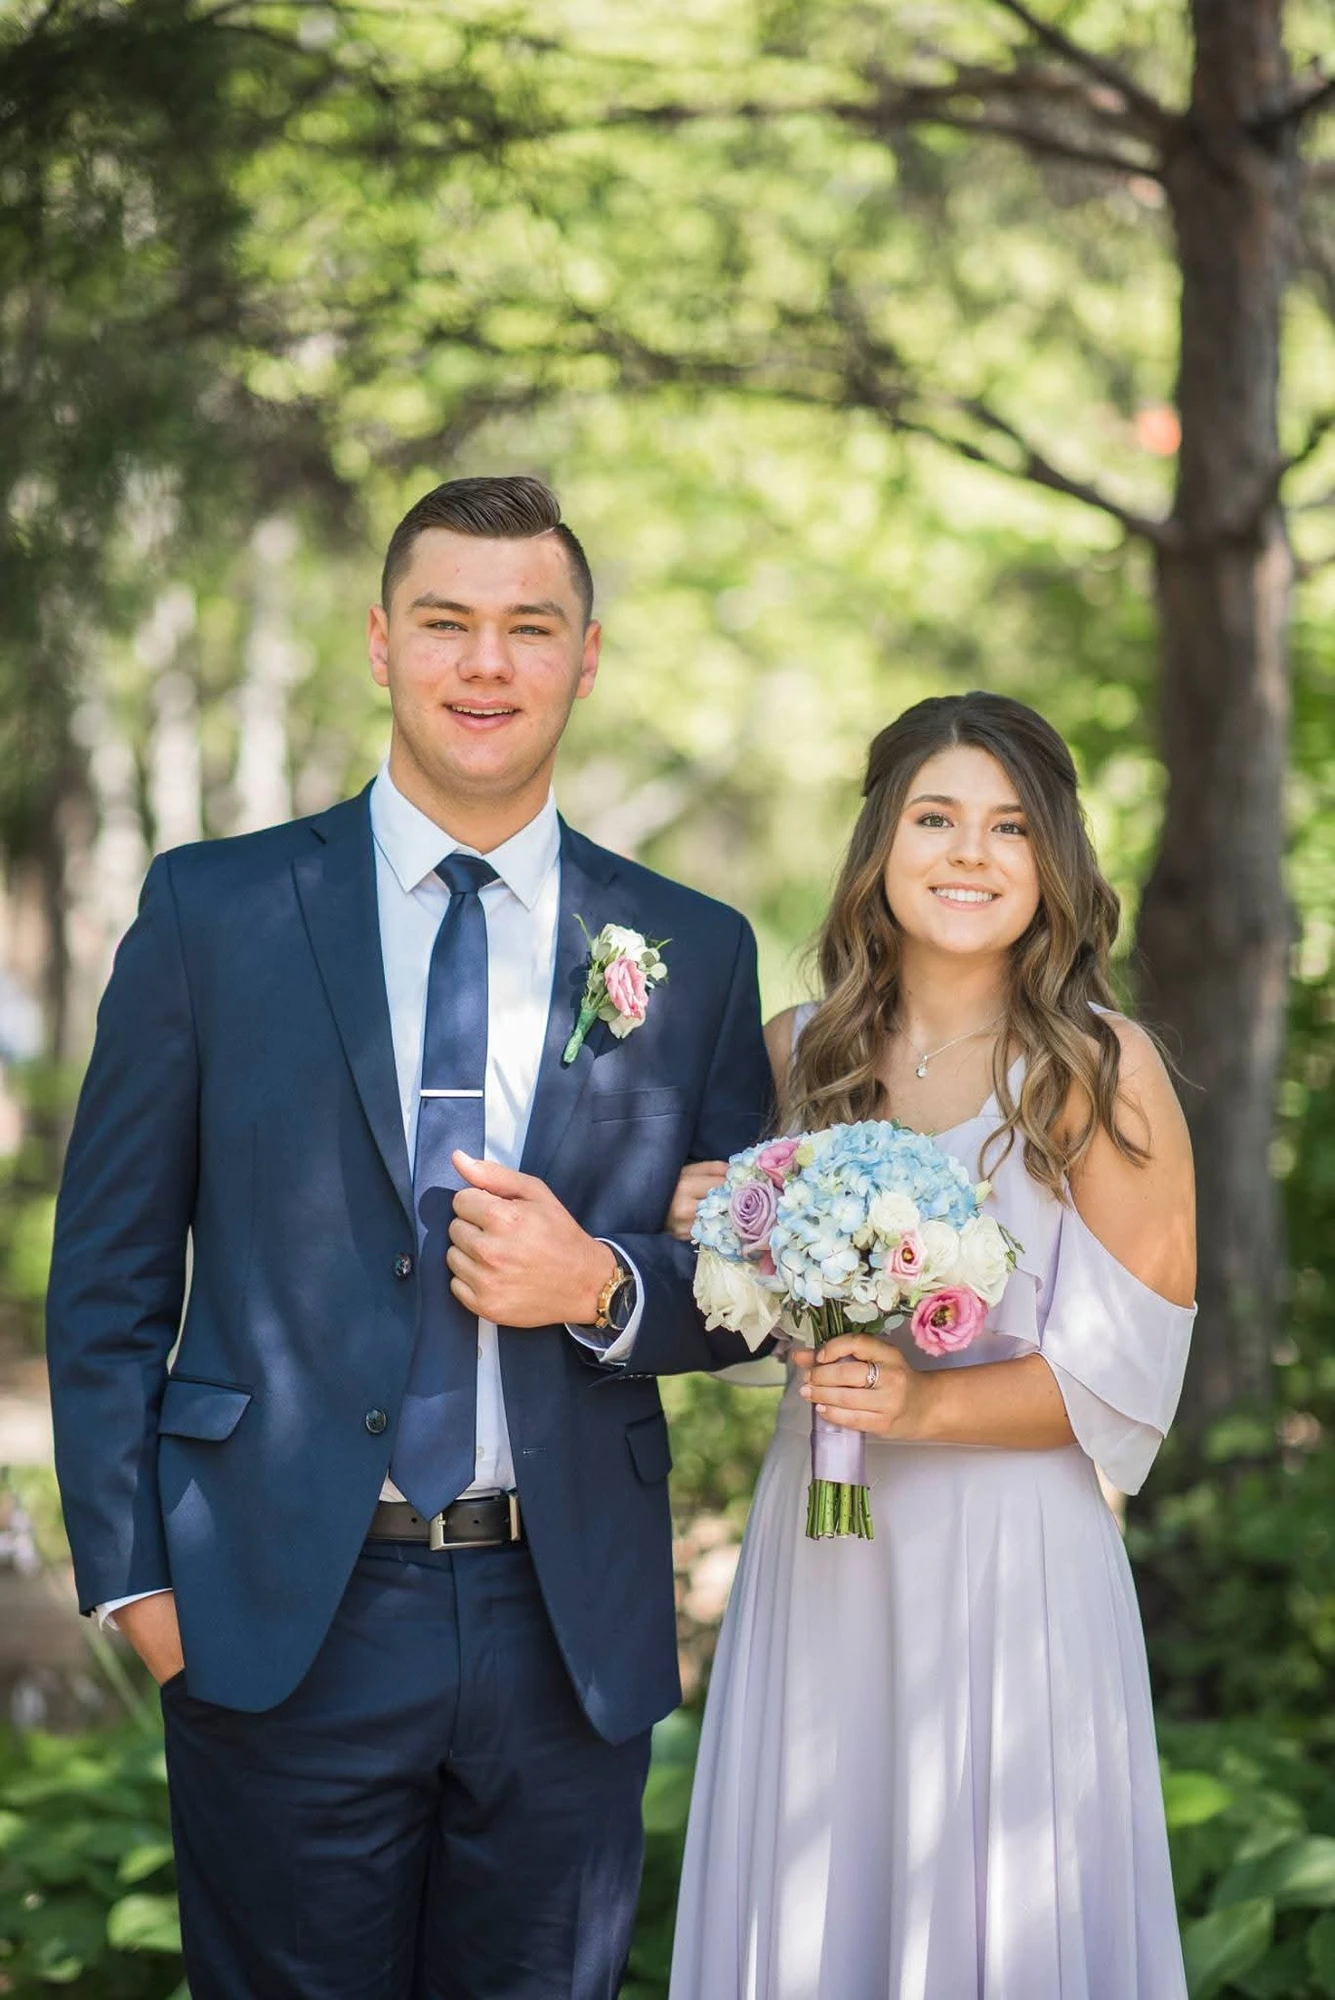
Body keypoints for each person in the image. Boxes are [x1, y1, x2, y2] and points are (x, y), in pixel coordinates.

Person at [46, 475, 773, 2000]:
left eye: (530, 627)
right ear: (382, 644)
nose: (486, 663)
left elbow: (749, 1279)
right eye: (447, 623)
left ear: (587, 656)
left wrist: (601, 1285)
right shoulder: (211, 913)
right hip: (276, 1611)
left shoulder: (686, 949)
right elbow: (108, 1278)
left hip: (560, 1621)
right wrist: (138, 1587)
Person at [666, 692, 1196, 2000]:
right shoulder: (795, 1058)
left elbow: (1127, 1377)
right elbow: (735, 1328)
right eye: (936, 818)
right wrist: (710, 1221)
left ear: (1052, 862)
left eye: (1009, 826)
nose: (970, 853)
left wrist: (919, 1405)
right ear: (877, 850)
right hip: (821, 1551)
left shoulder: (1095, 1069)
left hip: (1011, 1566)